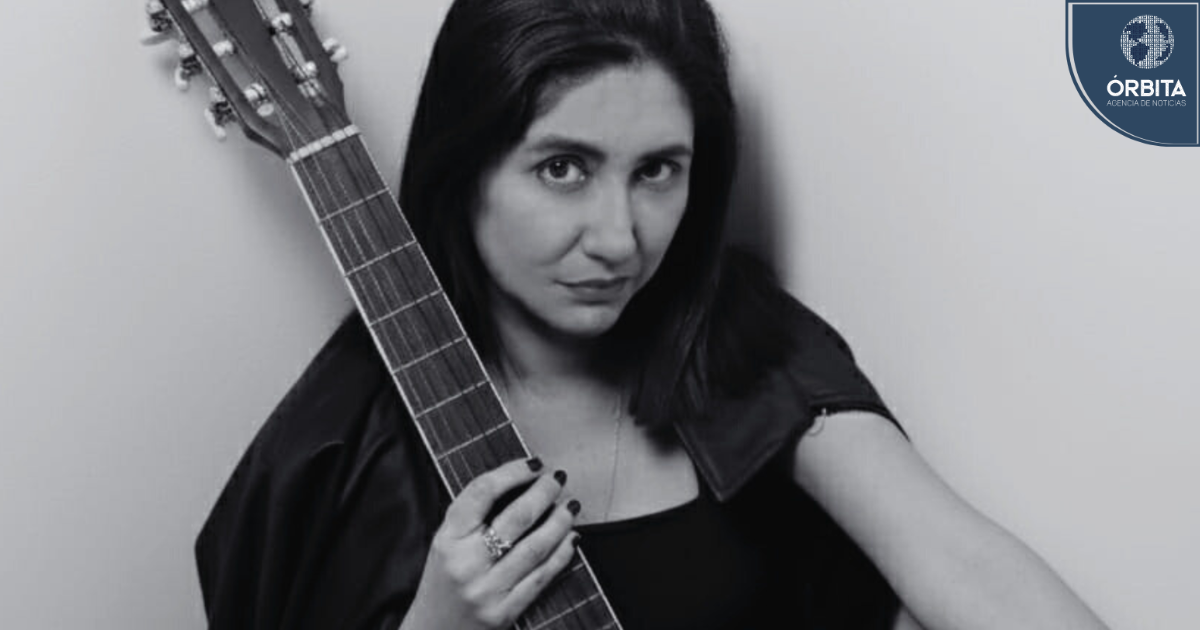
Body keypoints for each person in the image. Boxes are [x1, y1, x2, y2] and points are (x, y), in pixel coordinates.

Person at [195, 0, 1112, 629]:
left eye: (657, 171)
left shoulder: (738, 341)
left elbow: (967, 567)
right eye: (563, 168)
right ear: (464, 166)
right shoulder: (341, 437)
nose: (619, 238)